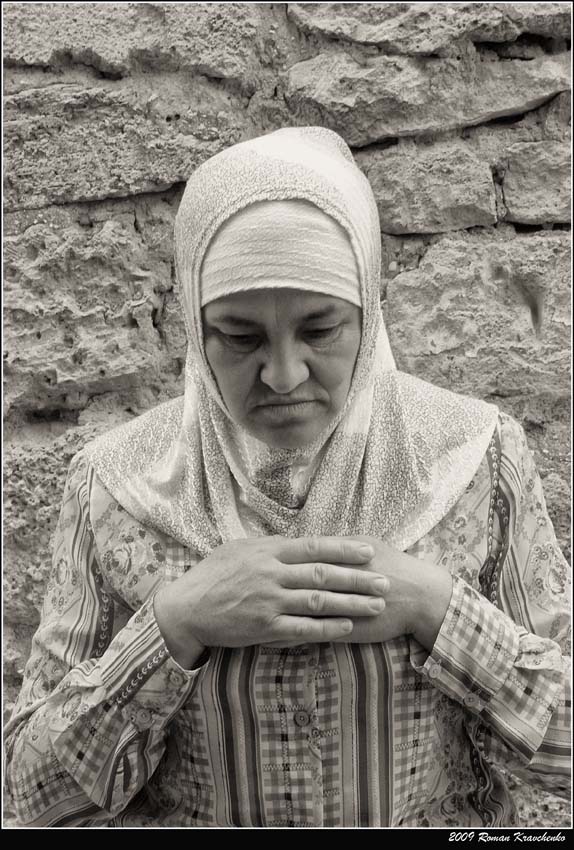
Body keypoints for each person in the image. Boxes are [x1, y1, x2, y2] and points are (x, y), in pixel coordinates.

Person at [4, 127, 570, 829]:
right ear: (194, 325)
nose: (283, 375)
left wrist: (435, 607)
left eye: (321, 329)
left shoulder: (472, 461)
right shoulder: (120, 486)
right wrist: (176, 623)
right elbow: (28, 796)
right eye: (240, 337)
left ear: (368, 308)